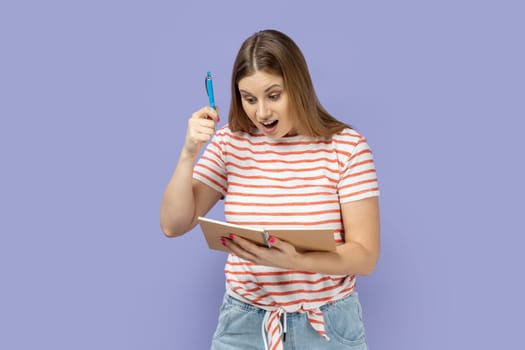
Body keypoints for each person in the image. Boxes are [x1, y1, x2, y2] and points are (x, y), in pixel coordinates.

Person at [160, 29, 380, 350]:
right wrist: (188, 153)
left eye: (273, 96)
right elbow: (173, 224)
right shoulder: (230, 144)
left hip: (327, 326)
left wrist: (296, 261)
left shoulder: (346, 147)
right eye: (249, 99)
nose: (261, 113)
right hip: (245, 323)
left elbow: (365, 256)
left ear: (298, 87)